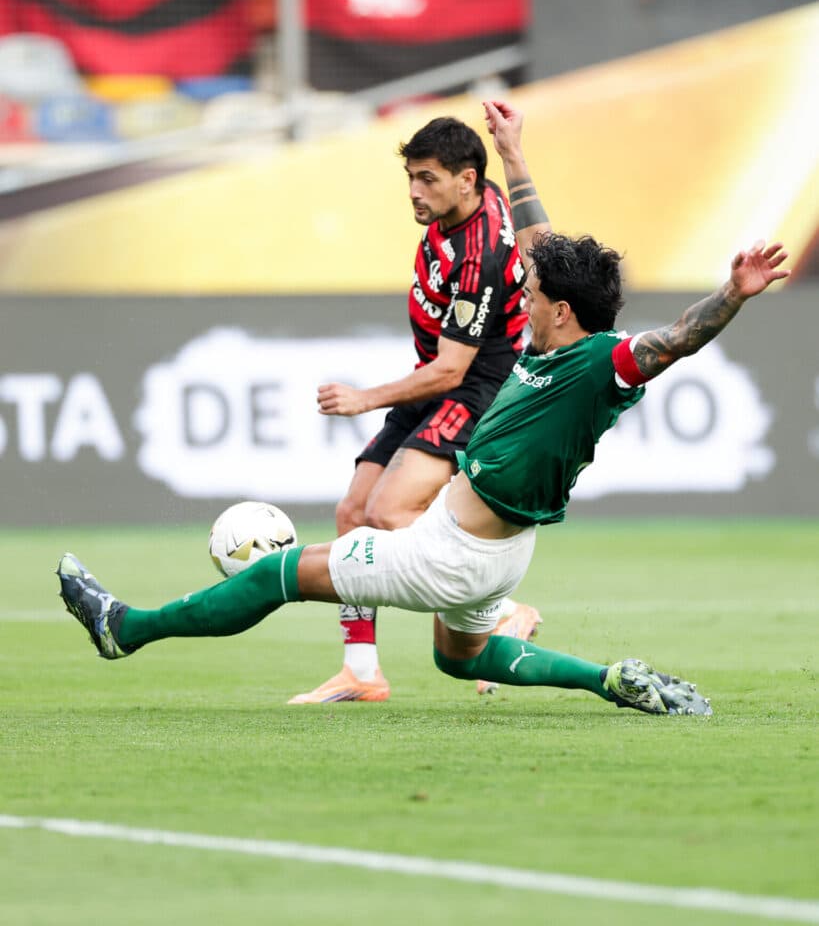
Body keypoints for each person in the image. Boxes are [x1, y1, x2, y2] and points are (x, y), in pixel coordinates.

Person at [56, 99, 790, 717]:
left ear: (561, 312)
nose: (521, 303)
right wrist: (514, 154)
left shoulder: (603, 362)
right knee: (454, 657)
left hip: (449, 553)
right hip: (498, 555)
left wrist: (732, 294)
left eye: (530, 299)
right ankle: (606, 679)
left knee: (278, 574)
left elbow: (678, 340)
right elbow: (537, 245)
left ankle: (126, 627)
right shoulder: (553, 342)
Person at [288, 115, 542, 705]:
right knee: (354, 511)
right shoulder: (473, 201)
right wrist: (514, 151)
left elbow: (455, 369)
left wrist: (363, 398)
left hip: (476, 388)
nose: (413, 191)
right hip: (433, 382)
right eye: (410, 177)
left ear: (465, 180)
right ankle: (361, 670)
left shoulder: (477, 256)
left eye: (427, 179)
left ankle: (504, 610)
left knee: (390, 511)